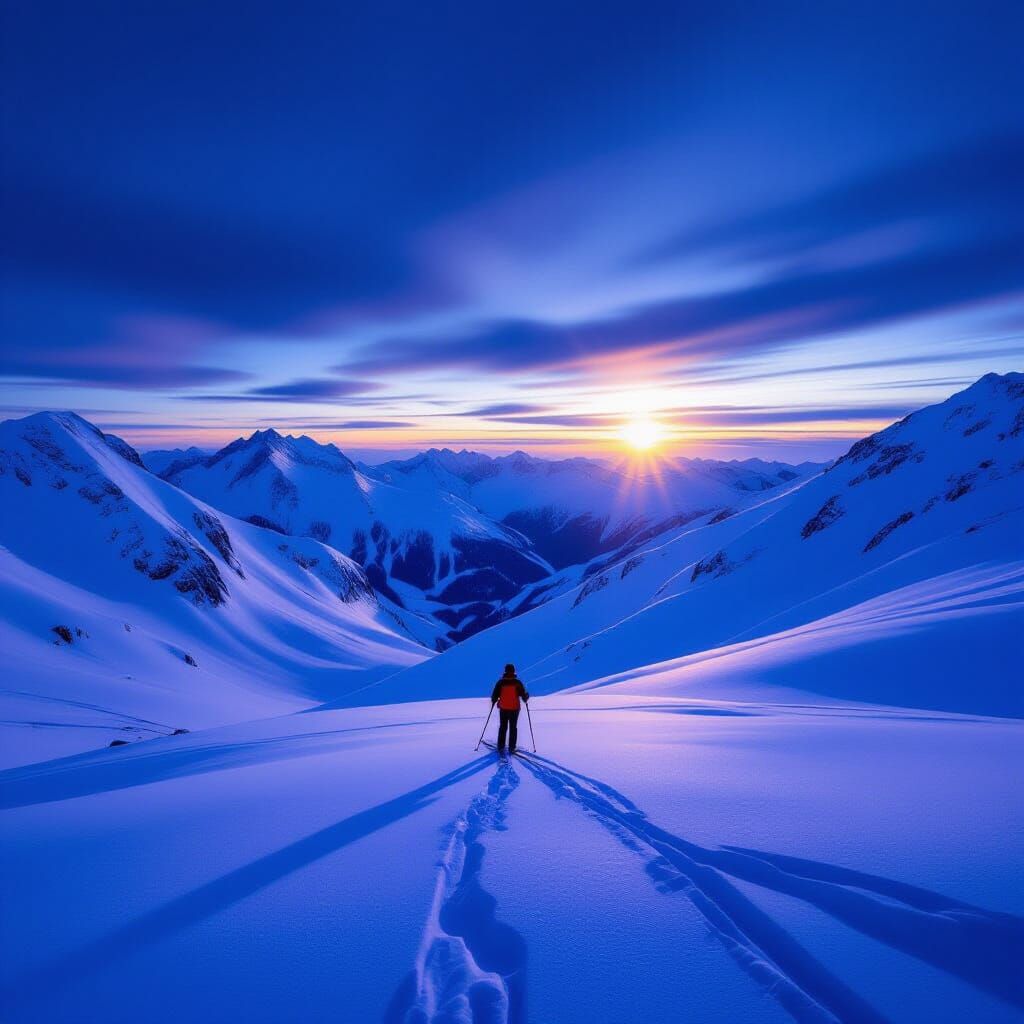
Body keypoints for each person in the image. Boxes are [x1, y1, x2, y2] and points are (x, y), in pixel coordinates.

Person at [490, 663, 529, 754]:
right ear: (514, 671)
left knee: (503, 727)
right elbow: (523, 696)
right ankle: (512, 747)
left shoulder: (500, 682)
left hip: (503, 708)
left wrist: (493, 701)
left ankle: (501, 746)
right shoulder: (517, 682)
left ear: (505, 671)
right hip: (515, 709)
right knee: (513, 727)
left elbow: (495, 695)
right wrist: (526, 697)